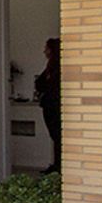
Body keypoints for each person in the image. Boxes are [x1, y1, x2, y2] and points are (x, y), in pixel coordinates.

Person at [34, 38, 61, 173]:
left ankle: (59, 166)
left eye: (46, 48)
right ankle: (57, 165)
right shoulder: (52, 67)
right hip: (51, 106)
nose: (44, 51)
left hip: (53, 106)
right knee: (56, 137)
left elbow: (40, 83)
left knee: (57, 136)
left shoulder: (55, 68)